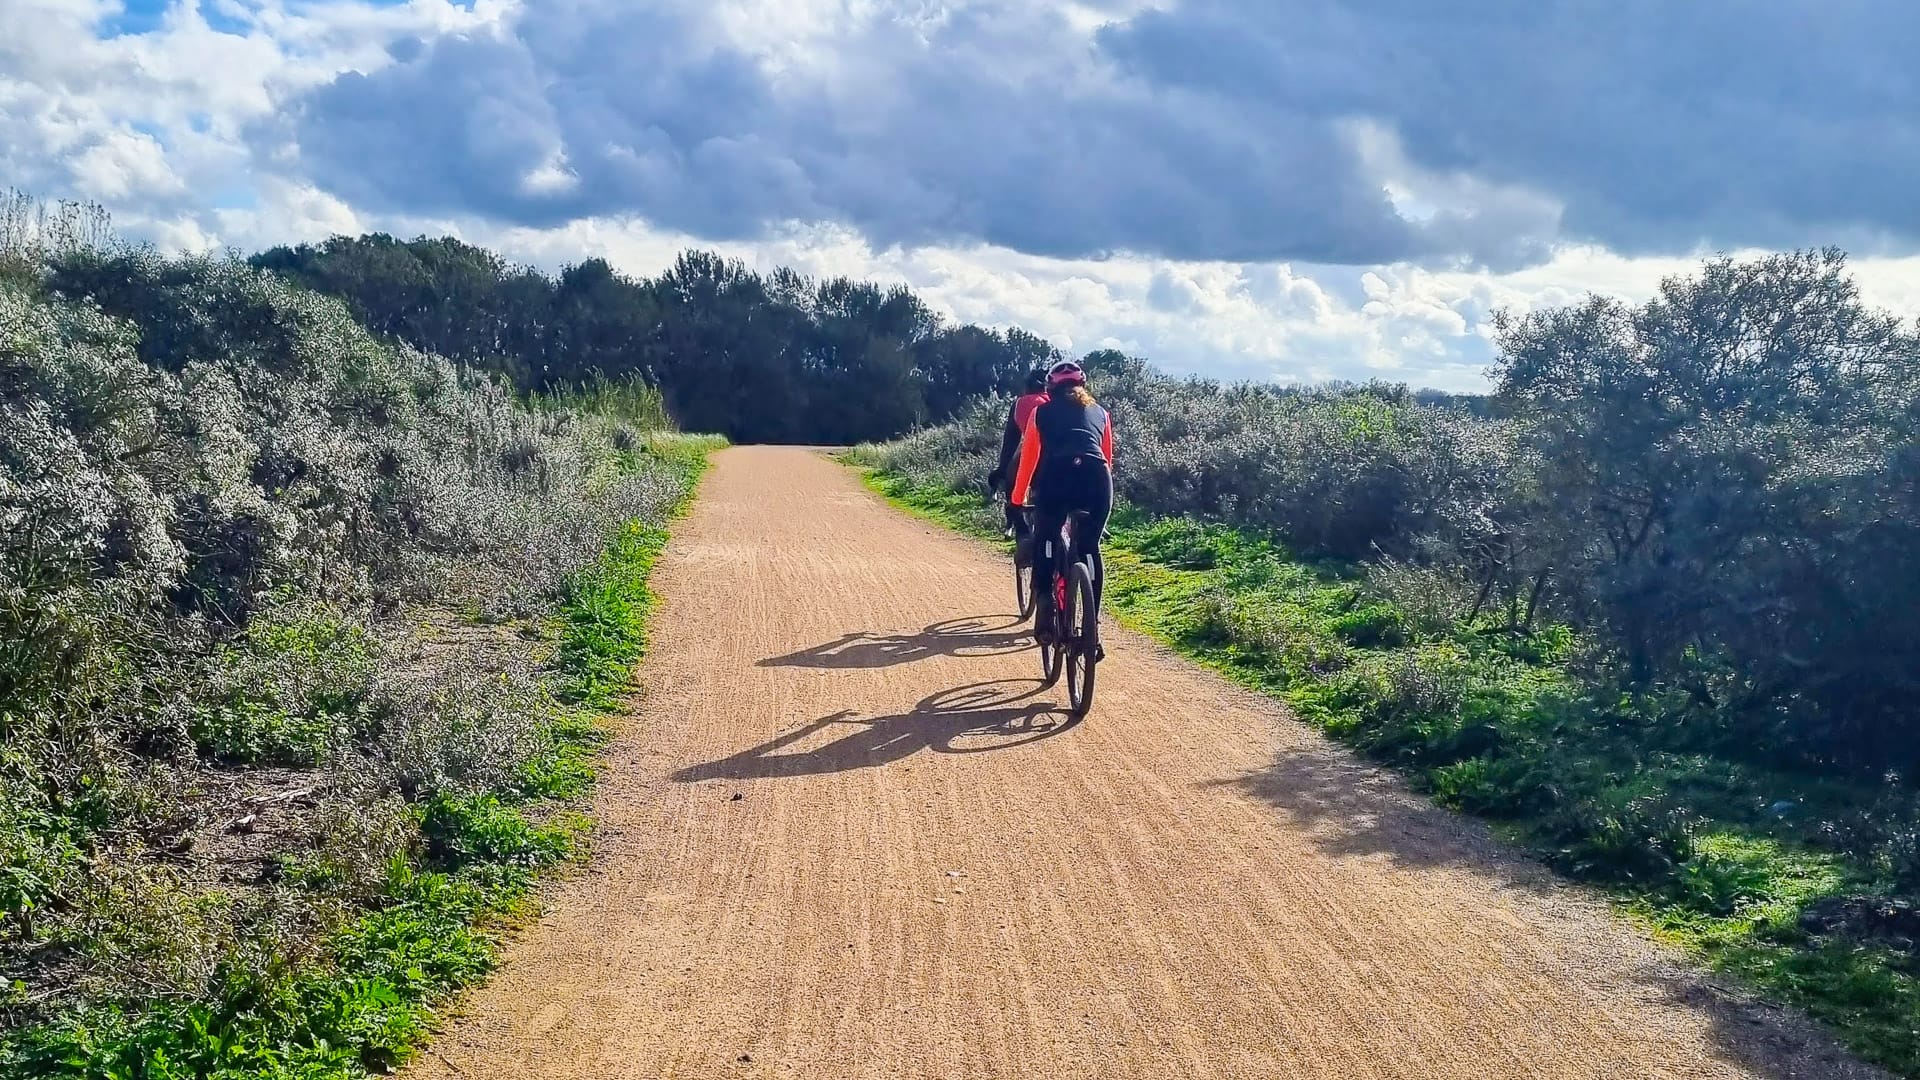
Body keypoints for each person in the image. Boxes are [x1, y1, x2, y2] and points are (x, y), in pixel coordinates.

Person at [1010, 360, 1113, 645]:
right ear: (1083, 385)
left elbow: (1029, 461)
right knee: (1089, 545)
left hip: (1056, 477)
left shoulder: (1041, 412)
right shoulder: (1101, 413)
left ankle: (1045, 601)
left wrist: (1017, 499)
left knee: (1046, 536)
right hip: (1096, 480)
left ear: (1050, 389)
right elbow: (1107, 458)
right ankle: (1092, 624)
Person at [986, 369, 1050, 536]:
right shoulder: (1057, 401)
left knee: (1013, 480)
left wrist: (1002, 469)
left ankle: (1012, 524)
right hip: (1064, 454)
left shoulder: (1019, 404)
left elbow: (1010, 441)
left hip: (1033, 451)